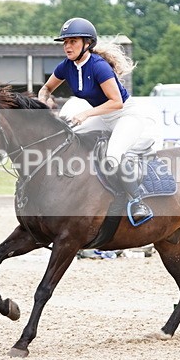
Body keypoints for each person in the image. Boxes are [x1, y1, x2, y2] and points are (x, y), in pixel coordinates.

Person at [38, 17, 160, 224]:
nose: (67, 46)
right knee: (70, 140)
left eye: (73, 41)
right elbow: (46, 88)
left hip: (126, 115)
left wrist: (85, 114)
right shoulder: (66, 67)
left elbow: (117, 103)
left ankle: (137, 201)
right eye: (65, 42)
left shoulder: (98, 66)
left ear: (88, 43)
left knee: (112, 156)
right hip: (103, 116)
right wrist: (42, 104)